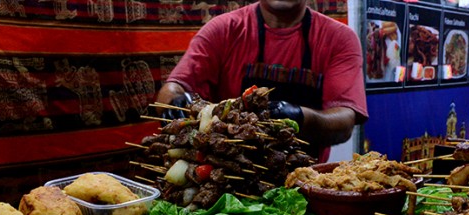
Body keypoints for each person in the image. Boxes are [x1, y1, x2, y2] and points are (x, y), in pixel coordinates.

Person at [156, 0, 368, 162]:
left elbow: (345, 120)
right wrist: (175, 101)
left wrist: (300, 117)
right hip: (227, 175)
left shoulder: (339, 39)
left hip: (305, 180)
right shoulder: (224, 29)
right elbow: (173, 88)